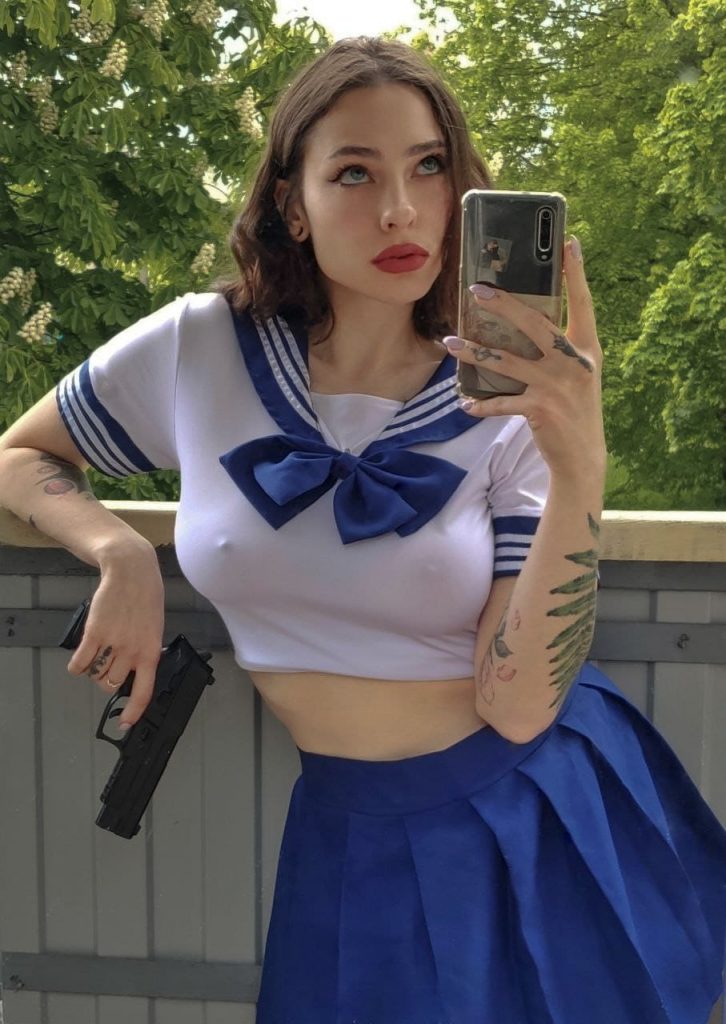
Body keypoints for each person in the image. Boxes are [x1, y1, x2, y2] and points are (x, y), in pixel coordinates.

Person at [0, 35, 724, 1024]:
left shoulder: (505, 397)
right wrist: (118, 551)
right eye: (354, 172)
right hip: (348, 821)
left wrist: (578, 462)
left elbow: (518, 706)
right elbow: (21, 454)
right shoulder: (199, 346)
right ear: (291, 204)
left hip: (530, 807)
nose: (399, 210)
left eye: (428, 167)